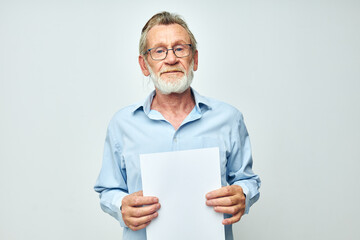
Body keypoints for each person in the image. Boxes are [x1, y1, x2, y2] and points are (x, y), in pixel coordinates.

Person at [94, 11, 261, 240]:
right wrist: (121, 206)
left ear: (195, 59)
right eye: (159, 51)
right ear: (144, 64)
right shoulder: (122, 124)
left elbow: (247, 180)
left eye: (180, 48)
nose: (171, 59)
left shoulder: (229, 119)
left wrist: (243, 193)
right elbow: (107, 189)